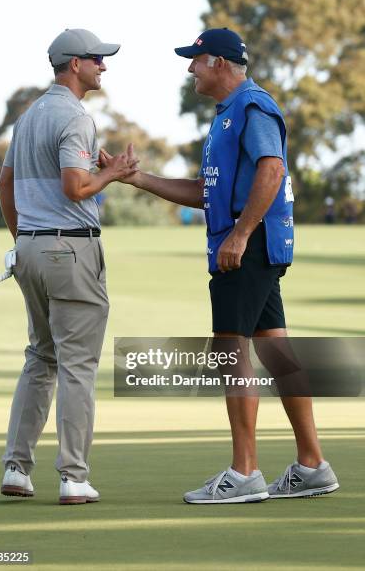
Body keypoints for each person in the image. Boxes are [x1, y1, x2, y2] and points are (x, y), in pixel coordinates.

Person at [108, 28, 339, 504]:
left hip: (246, 247)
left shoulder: (252, 107)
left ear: (217, 62)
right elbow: (205, 191)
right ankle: (312, 464)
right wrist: (138, 179)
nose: (190, 68)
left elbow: (271, 170)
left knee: (231, 354)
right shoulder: (227, 117)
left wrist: (240, 232)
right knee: (277, 353)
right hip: (251, 244)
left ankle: (245, 472)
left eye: (195, 59)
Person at [0, 28, 136, 505]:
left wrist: (24, 242)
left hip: (32, 252)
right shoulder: (75, 116)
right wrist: (113, 173)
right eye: (97, 59)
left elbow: (4, 186)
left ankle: (16, 469)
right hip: (70, 250)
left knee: (41, 358)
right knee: (77, 365)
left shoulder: (30, 115)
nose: (104, 66)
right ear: (73, 64)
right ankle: (74, 477)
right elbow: (76, 187)